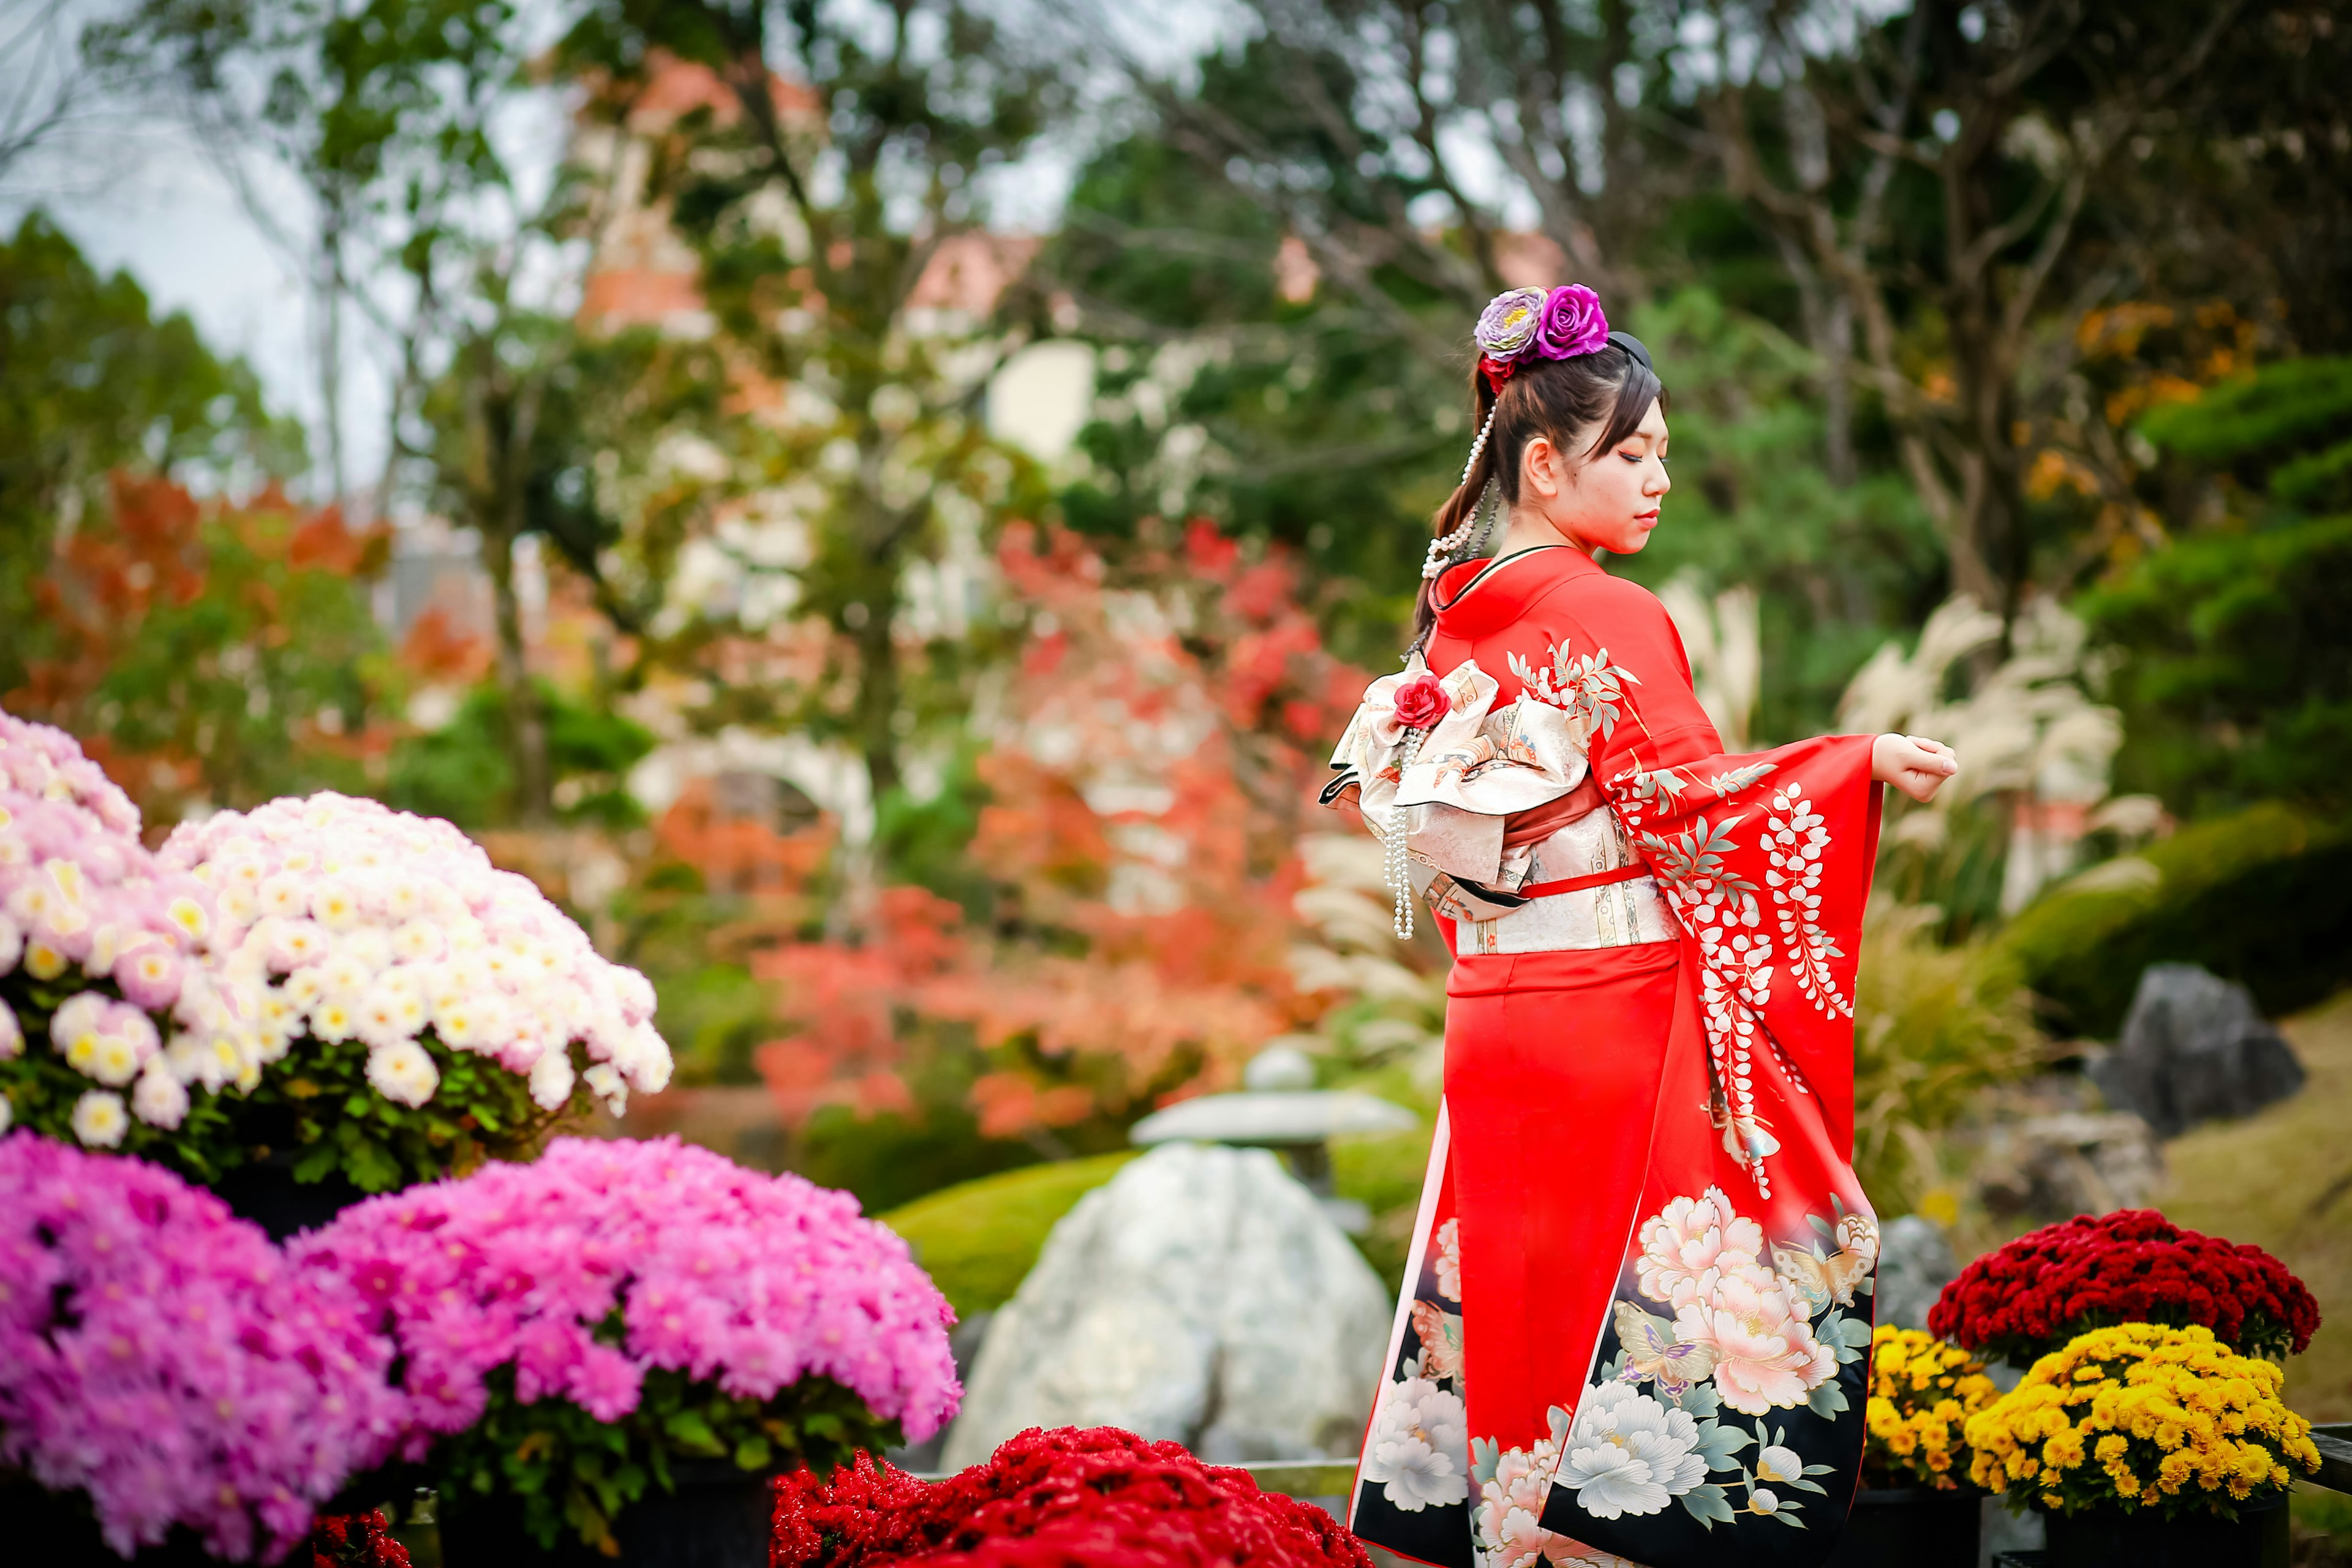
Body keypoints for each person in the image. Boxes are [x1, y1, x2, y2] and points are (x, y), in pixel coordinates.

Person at [1326, 284, 1958, 1568]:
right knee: (1618, 1325)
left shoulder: (1454, 611)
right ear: (1546, 461)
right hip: (1611, 1017)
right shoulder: (1605, 611)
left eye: (1664, 447)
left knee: (1517, 1314)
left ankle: (1510, 1534)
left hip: (1493, 1022)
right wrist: (1852, 762)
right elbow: (1687, 804)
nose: (1659, 476)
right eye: (1633, 452)